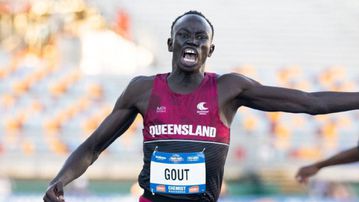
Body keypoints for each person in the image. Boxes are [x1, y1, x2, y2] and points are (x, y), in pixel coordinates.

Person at [43, 10, 359, 202]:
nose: (191, 41)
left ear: (211, 48)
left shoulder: (228, 89)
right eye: (183, 35)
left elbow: (309, 102)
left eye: (199, 36)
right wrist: (61, 179)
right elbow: (93, 146)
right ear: (170, 44)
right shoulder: (142, 89)